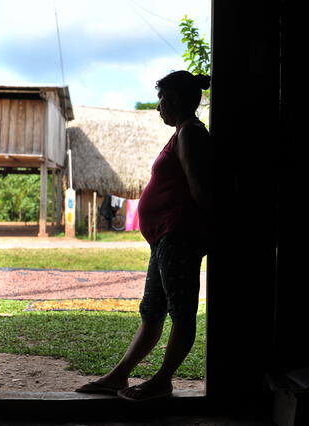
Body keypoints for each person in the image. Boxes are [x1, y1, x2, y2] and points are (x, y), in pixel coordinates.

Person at [75, 70, 211, 402]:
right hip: (165, 238)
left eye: (162, 99)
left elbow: (201, 189)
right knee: (152, 310)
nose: (158, 107)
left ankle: (162, 380)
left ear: (176, 99)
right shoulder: (182, 133)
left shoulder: (191, 134)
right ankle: (118, 376)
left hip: (178, 236)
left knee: (180, 312)